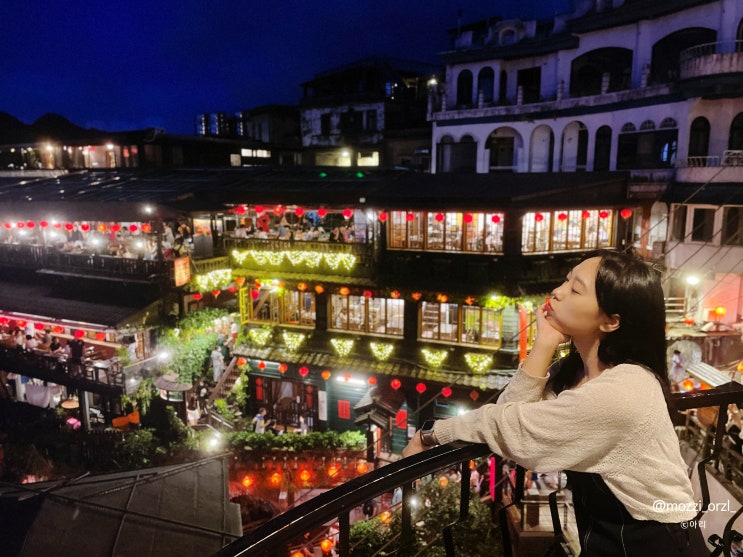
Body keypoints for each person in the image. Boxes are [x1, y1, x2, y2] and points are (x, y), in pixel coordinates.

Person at [403, 249, 707, 556]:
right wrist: (545, 342)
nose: (558, 292)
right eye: (566, 280)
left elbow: (516, 429)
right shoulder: (576, 372)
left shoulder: (623, 390)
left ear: (610, 321)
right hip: (610, 536)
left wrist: (432, 433)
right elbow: (511, 408)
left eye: (575, 289)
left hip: (656, 541)